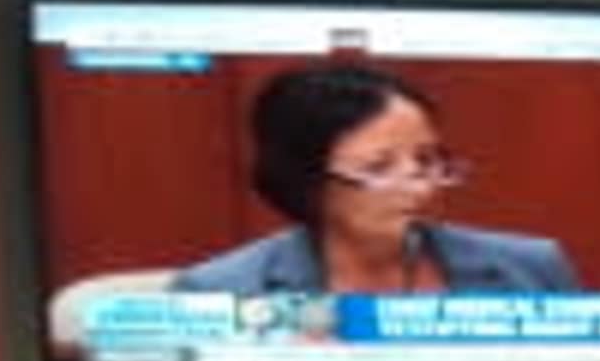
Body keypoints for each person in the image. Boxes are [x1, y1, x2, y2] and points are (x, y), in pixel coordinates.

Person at [172, 64, 575, 298]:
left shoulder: (532, 268)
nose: (419, 186)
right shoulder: (220, 292)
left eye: (426, 160)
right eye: (379, 167)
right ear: (307, 178)